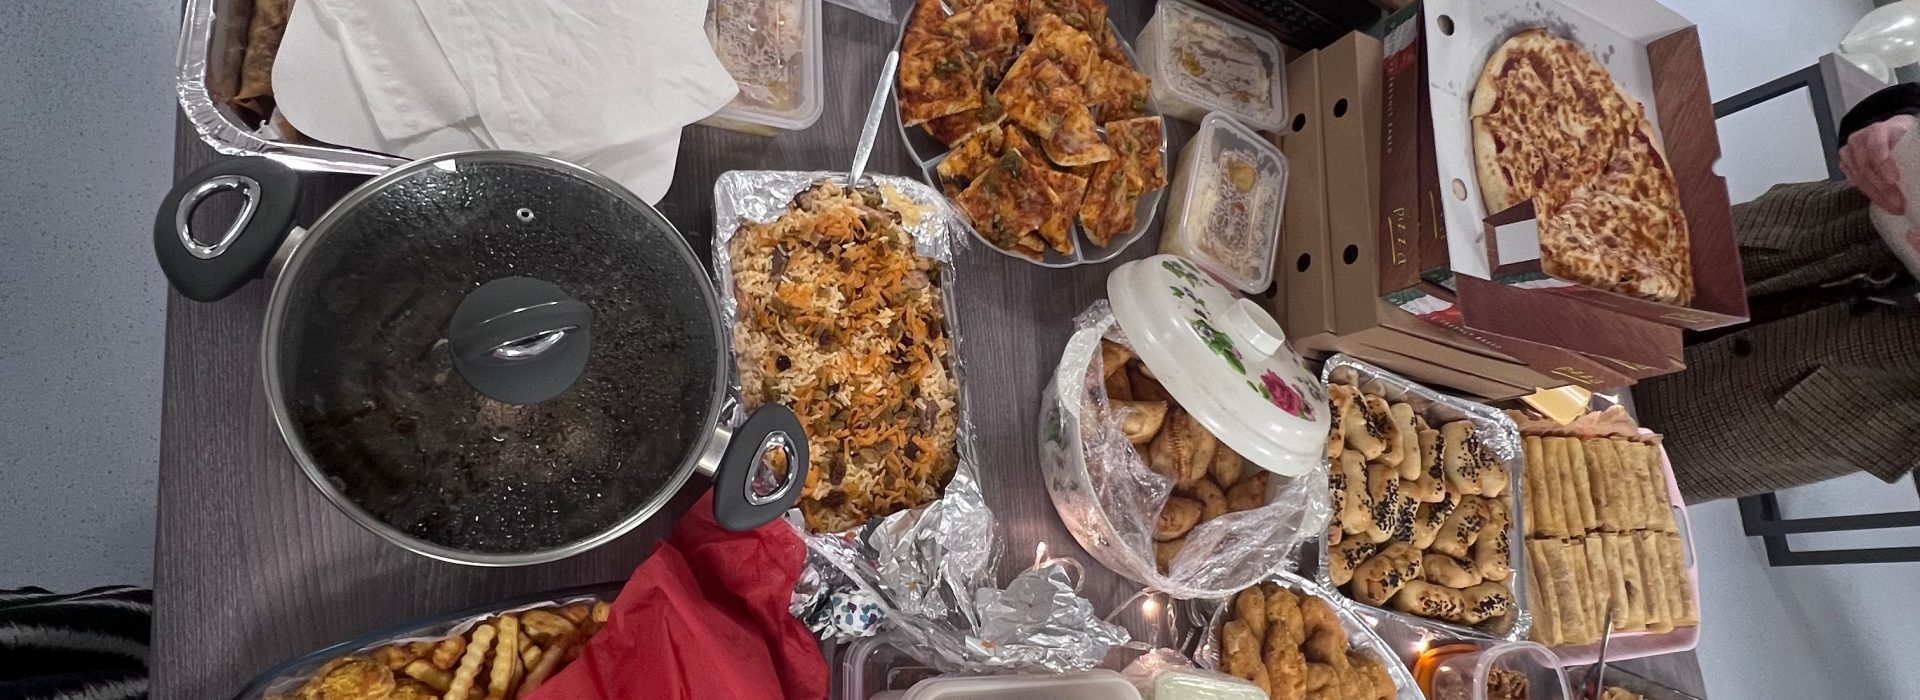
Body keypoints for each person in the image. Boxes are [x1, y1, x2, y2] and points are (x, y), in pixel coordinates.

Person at [1635, 83, 1920, 502]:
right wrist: (1898, 124)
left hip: (1853, 380)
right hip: (1809, 236)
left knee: (1582, 466)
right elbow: (1898, 103)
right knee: (1562, 291)